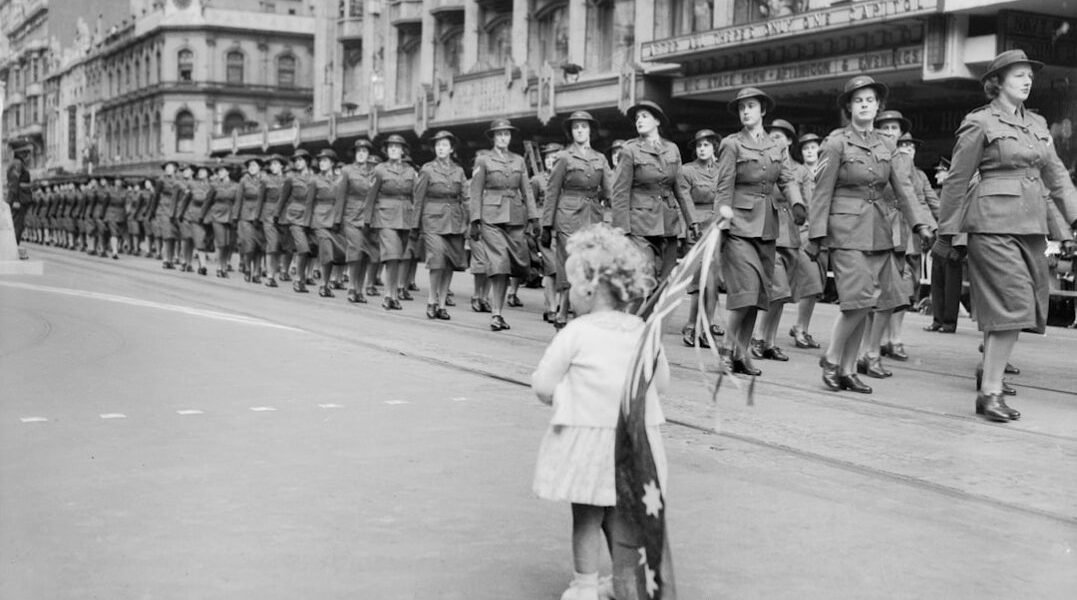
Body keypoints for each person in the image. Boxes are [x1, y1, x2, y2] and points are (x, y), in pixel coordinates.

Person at [936, 49, 1077, 422]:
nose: (1027, 80)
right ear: (996, 82)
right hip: (992, 223)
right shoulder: (979, 122)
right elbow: (957, 179)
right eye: (1018, 75)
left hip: (1031, 225)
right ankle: (990, 393)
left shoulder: (1038, 124)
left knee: (1024, 306)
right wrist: (947, 232)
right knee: (1011, 308)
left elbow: (1057, 176)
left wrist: (1075, 217)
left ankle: (991, 372)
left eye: (1029, 75)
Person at [531, 223, 665, 600]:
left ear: (588, 286)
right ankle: (625, 585)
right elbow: (661, 382)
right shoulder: (642, 330)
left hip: (587, 443)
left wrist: (562, 397)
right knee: (623, 516)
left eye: (571, 284)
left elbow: (543, 385)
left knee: (587, 516)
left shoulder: (575, 332)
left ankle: (585, 585)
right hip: (633, 444)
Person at [808, 75, 935, 394]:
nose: (865, 105)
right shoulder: (835, 143)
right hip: (845, 229)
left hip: (878, 229)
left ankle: (849, 370)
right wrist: (816, 235)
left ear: (878, 107)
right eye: (858, 100)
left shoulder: (886, 145)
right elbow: (821, 192)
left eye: (870, 100)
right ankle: (833, 357)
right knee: (858, 298)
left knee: (868, 303)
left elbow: (903, 190)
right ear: (849, 107)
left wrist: (920, 223)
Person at [715, 88, 805, 376]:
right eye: (742, 107)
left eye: (751, 106)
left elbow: (788, 179)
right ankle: (727, 351)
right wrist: (722, 224)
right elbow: (724, 186)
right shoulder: (732, 144)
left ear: (763, 110)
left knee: (758, 296)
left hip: (767, 226)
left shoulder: (775, 146)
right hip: (739, 225)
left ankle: (741, 354)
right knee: (745, 292)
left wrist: (798, 203)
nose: (746, 111)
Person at [611, 100, 697, 287]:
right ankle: (638, 316)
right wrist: (621, 230)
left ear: (657, 121)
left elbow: (681, 188)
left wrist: (692, 221)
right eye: (637, 118)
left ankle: (654, 317)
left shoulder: (672, 149)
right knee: (644, 277)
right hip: (639, 225)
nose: (639, 121)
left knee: (666, 283)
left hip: (668, 224)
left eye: (644, 116)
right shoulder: (630, 150)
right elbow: (620, 192)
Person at [469, 119, 540, 330]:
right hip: (491, 218)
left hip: (515, 219)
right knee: (499, 265)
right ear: (493, 137)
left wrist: (534, 218)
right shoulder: (483, 160)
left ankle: (498, 310)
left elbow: (527, 191)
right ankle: (496, 314)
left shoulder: (518, 161)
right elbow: (475, 192)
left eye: (506, 134)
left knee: (515, 265)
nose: (503, 138)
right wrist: (475, 220)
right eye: (499, 134)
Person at [544, 111, 612, 330]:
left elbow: (610, 191)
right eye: (576, 127)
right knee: (570, 261)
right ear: (571, 132)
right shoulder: (564, 157)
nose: (580, 131)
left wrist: (614, 217)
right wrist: (546, 224)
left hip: (592, 215)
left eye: (584, 126)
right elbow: (552, 191)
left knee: (588, 262)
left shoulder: (600, 158)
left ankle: (571, 309)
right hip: (567, 215)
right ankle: (564, 309)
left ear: (590, 130)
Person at [752, 118, 811, 361]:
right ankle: (757, 336)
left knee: (782, 296)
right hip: (770, 231)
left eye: (779, 136)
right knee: (775, 289)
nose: (774, 140)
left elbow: (807, 202)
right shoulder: (765, 165)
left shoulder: (800, 171)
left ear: (789, 141)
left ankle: (770, 341)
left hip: (793, 236)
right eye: (771, 136)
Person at [880, 131, 939, 360]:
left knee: (907, 288)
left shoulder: (921, 176)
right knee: (889, 288)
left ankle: (893, 337)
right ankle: (889, 339)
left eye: (911, 147)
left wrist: (937, 227)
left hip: (912, 236)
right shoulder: (885, 168)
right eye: (902, 145)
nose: (906, 149)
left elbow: (928, 202)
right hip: (887, 232)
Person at [412, 130, 468, 319]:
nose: (441, 148)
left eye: (445, 145)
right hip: (433, 220)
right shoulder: (427, 169)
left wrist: (471, 221)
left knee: (449, 263)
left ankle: (442, 303)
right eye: (438, 145)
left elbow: (466, 197)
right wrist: (415, 226)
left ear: (451, 149)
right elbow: (418, 199)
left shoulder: (459, 171)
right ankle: (431, 300)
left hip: (454, 220)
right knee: (437, 261)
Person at [677, 129, 724, 347]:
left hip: (718, 227)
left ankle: (705, 326)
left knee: (712, 281)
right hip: (696, 228)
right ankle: (690, 326)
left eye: (707, 145)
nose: (702, 149)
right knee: (698, 281)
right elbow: (685, 200)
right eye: (699, 145)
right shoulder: (687, 171)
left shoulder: (723, 169)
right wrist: (692, 224)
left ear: (715, 146)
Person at [366, 134, 419, 310]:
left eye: (397, 147)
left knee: (398, 256)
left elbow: (415, 197)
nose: (394, 150)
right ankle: (389, 295)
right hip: (385, 217)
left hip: (405, 217)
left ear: (403, 150)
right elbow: (371, 196)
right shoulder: (380, 170)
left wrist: (417, 221)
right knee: (393, 254)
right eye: (391, 147)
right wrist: (368, 220)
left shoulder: (411, 171)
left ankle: (393, 293)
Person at [789, 132, 826, 349]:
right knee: (811, 283)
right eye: (806, 148)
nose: (811, 151)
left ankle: (802, 327)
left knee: (817, 286)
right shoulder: (798, 173)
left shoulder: (828, 171)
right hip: (804, 233)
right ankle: (801, 329)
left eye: (814, 147)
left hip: (825, 237)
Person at [336, 139, 378, 303]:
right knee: (356, 250)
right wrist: (337, 220)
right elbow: (340, 196)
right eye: (359, 151)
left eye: (365, 151)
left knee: (366, 255)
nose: (361, 154)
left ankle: (359, 290)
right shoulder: (347, 171)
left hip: (369, 218)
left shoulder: (374, 172)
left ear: (368, 154)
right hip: (351, 216)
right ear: (355, 153)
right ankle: (352, 287)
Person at [925, 157, 963, 333]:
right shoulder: (940, 192)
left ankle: (949, 322)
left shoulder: (960, 191)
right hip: (940, 241)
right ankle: (937, 320)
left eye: (941, 171)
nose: (937, 174)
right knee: (937, 283)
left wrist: (960, 245)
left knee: (951, 285)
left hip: (954, 242)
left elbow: (965, 216)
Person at [307, 148, 347, 298]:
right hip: (319, 220)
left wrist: (340, 219)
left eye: (325, 160)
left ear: (332, 163)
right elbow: (309, 203)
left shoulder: (340, 180)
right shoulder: (314, 180)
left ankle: (327, 283)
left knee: (335, 254)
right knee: (327, 252)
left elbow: (342, 200)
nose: (321, 163)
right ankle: (323, 285)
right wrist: (307, 224)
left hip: (335, 220)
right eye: (320, 160)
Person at [531, 141, 563, 322]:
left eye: (554, 156)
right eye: (548, 157)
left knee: (563, 268)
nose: (551, 160)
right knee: (551, 269)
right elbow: (530, 203)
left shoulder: (566, 178)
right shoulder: (537, 180)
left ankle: (559, 304)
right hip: (545, 230)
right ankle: (552, 308)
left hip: (564, 225)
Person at [279, 149, 316, 293]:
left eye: (301, 160)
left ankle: (301, 278)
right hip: (294, 217)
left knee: (309, 249)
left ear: (307, 161)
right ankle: (298, 280)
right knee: (303, 248)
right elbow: (283, 198)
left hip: (311, 217)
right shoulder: (291, 178)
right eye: (296, 160)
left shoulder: (315, 178)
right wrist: (277, 215)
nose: (298, 163)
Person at [259, 154, 290, 287]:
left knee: (279, 246)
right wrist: (257, 216)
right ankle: (270, 275)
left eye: (276, 164)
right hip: (268, 214)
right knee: (273, 242)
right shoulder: (265, 180)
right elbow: (260, 199)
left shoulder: (287, 180)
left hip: (283, 215)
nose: (273, 166)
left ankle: (273, 272)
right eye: (271, 164)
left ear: (282, 166)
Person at [176, 164, 214, 275]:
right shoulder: (192, 184)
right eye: (199, 171)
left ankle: (188, 262)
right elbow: (185, 200)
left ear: (208, 173)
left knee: (200, 240)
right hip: (194, 216)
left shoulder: (213, 186)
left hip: (209, 217)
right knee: (195, 239)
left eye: (204, 171)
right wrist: (181, 214)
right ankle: (201, 265)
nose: (201, 173)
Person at [234, 157, 267, 283]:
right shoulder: (243, 181)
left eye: (254, 165)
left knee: (259, 245)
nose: (251, 168)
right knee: (249, 245)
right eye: (250, 166)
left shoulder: (265, 180)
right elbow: (238, 199)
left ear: (260, 167)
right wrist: (235, 217)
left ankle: (257, 271)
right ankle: (247, 267)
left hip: (261, 217)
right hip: (246, 216)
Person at [150, 159, 184, 269]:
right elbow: (156, 196)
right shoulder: (161, 181)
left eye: (171, 167)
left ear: (175, 169)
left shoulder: (180, 180)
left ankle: (172, 259)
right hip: (164, 209)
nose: (169, 169)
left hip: (177, 210)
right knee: (167, 235)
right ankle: (166, 259)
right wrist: (153, 211)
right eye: (167, 167)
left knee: (174, 236)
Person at [207, 164, 239, 277]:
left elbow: (238, 201)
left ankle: (224, 265)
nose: (219, 173)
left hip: (230, 216)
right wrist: (203, 216)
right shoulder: (214, 185)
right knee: (221, 242)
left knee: (228, 243)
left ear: (228, 172)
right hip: (217, 215)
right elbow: (208, 201)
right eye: (218, 171)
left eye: (222, 171)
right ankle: (220, 267)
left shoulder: (236, 186)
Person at [5, 155, 31, 259]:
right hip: (18, 202)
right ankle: (13, 249)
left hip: (20, 201)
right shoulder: (15, 167)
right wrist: (15, 200)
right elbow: (14, 186)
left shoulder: (17, 167)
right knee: (17, 226)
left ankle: (12, 248)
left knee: (17, 226)